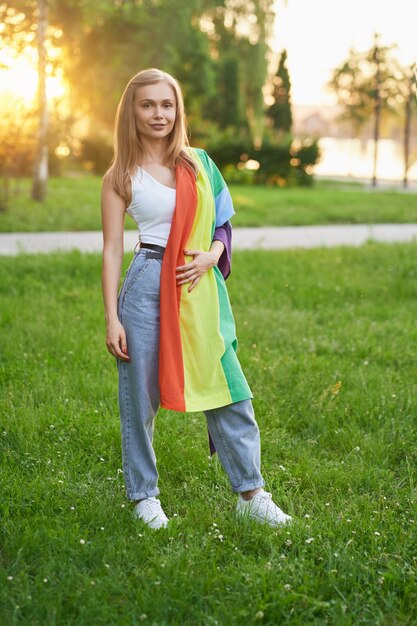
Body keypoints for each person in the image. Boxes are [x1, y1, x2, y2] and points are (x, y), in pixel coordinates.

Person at [101, 68, 292, 530]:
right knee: (139, 399)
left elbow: (223, 225)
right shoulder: (120, 175)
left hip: (196, 283)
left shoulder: (199, 164)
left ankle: (252, 494)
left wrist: (212, 256)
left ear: (177, 110)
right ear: (132, 111)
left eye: (166, 104)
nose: (158, 113)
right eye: (147, 105)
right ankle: (144, 496)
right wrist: (112, 317)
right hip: (146, 282)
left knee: (227, 387)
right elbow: (110, 248)